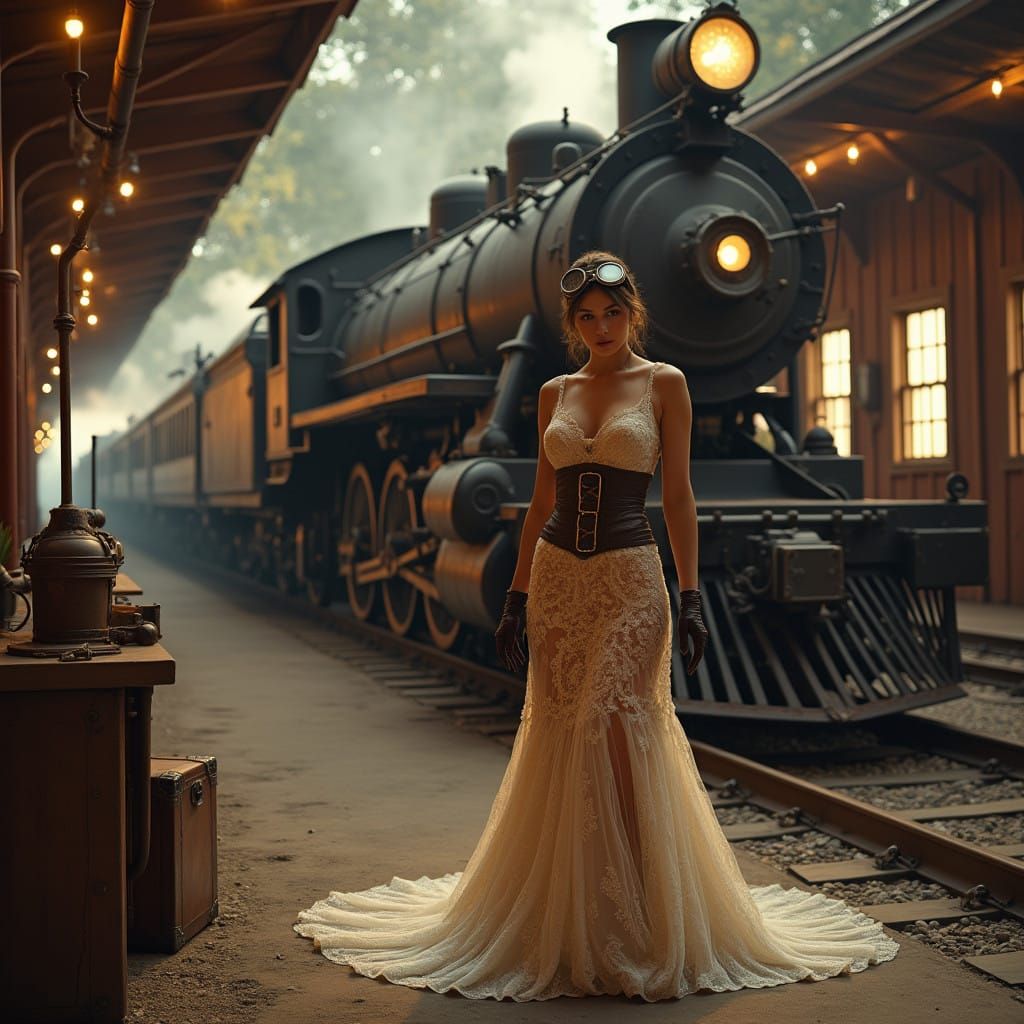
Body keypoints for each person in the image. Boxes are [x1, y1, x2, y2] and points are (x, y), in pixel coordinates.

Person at [292, 251, 899, 1001]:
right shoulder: (554, 392)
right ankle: (570, 912)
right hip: (557, 581)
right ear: (573, 323)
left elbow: (678, 498)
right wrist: (515, 597)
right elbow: (541, 504)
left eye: (613, 313)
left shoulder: (665, 383)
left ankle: (639, 915)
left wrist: (693, 596)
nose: (602, 326)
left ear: (632, 314)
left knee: (616, 721)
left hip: (630, 581)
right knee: (560, 727)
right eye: (587, 316)